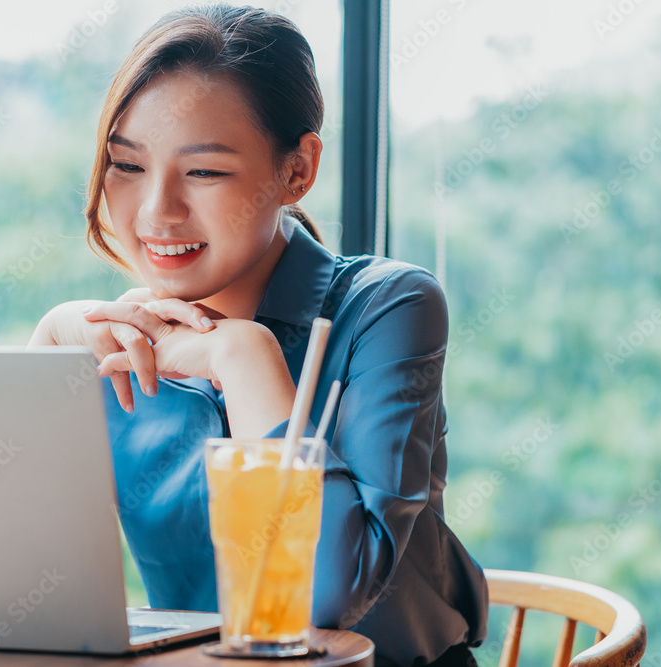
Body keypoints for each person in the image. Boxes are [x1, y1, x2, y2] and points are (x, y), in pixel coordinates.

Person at [28, 5, 488, 665]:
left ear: (297, 170)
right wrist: (47, 348)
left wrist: (243, 356)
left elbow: (323, 599)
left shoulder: (391, 306)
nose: (157, 210)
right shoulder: (117, 344)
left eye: (204, 172)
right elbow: (5, 588)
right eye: (127, 166)